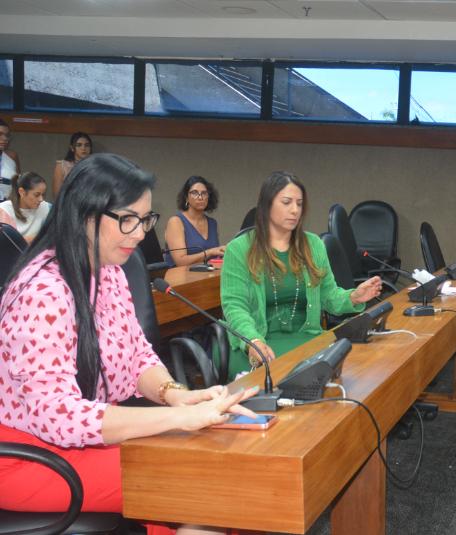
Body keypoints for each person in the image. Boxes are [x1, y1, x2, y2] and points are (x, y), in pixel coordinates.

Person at [0, 153, 257, 534]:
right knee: (207, 480)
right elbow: (57, 416)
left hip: (87, 439)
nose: (140, 234)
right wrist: (178, 419)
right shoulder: (42, 292)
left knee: (224, 465)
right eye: (128, 219)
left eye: (145, 219)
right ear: (85, 214)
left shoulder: (110, 272)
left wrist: (176, 395)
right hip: (32, 456)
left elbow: (137, 356)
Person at [220, 171, 382, 380]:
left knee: (354, 369)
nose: (295, 210)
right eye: (286, 202)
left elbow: (329, 296)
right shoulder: (239, 249)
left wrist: (353, 297)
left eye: (299, 203)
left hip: (306, 338)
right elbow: (235, 306)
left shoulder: (313, 245)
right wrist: (252, 340)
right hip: (258, 343)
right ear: (266, 205)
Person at [164, 175, 226, 267]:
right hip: (181, 275)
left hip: (208, 274)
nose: (200, 197)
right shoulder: (176, 222)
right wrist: (210, 252)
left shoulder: (212, 223)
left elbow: (215, 258)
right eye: (194, 193)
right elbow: (180, 261)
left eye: (204, 193)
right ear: (186, 197)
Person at [0, 172, 52, 243]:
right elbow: (7, 243)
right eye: (36, 195)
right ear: (22, 192)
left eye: (43, 195)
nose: (41, 199)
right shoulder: (4, 210)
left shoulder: (47, 207)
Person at [51, 131, 93, 197]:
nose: (83, 148)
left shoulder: (95, 166)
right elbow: (57, 195)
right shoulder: (62, 166)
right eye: (79, 145)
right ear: (72, 148)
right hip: (67, 202)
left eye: (87, 145)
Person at [0, 118, 20, 202]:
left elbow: (18, 184)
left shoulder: (12, 156)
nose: (5, 138)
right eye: (0, 134)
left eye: (7, 135)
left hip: (7, 205)